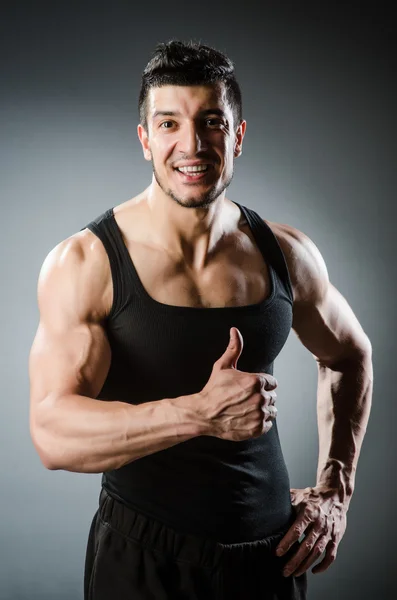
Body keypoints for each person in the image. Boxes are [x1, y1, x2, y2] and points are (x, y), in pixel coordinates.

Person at [28, 40, 373, 600]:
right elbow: (51, 433)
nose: (191, 145)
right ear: (144, 139)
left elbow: (349, 356)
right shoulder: (87, 263)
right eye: (168, 123)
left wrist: (337, 487)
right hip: (144, 559)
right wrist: (195, 414)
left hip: (269, 556)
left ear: (237, 135)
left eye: (211, 122)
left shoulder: (286, 253)